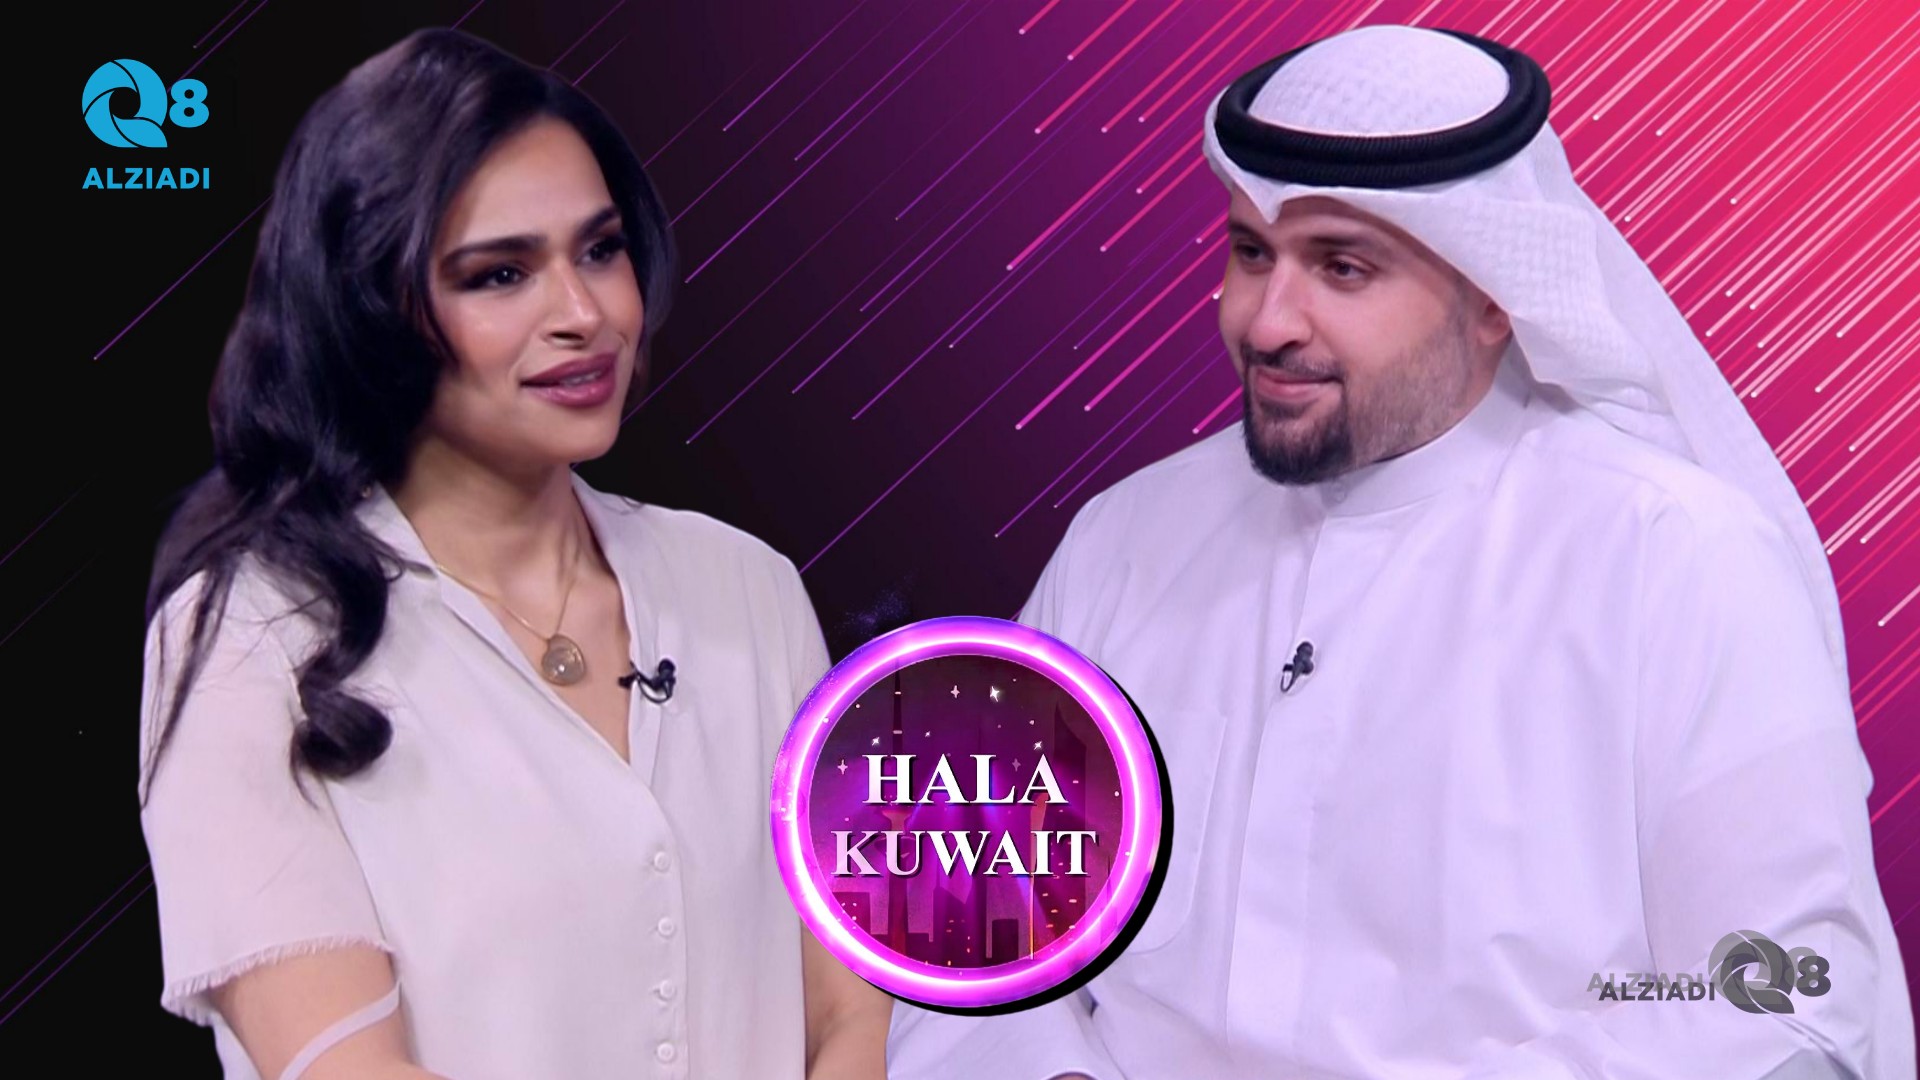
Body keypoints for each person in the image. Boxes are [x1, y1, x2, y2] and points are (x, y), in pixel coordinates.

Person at [885, 23, 1912, 1080]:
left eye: (1343, 266)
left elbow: (1786, 1009)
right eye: (1251, 253)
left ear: (1494, 296)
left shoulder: (1676, 560)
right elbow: (965, 928)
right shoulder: (1123, 541)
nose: (1266, 322)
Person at [136, 27, 889, 1080]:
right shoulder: (253, 637)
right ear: (369, 309)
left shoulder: (745, 588)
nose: (584, 315)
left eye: (600, 250)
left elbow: (849, 1009)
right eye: (500, 274)